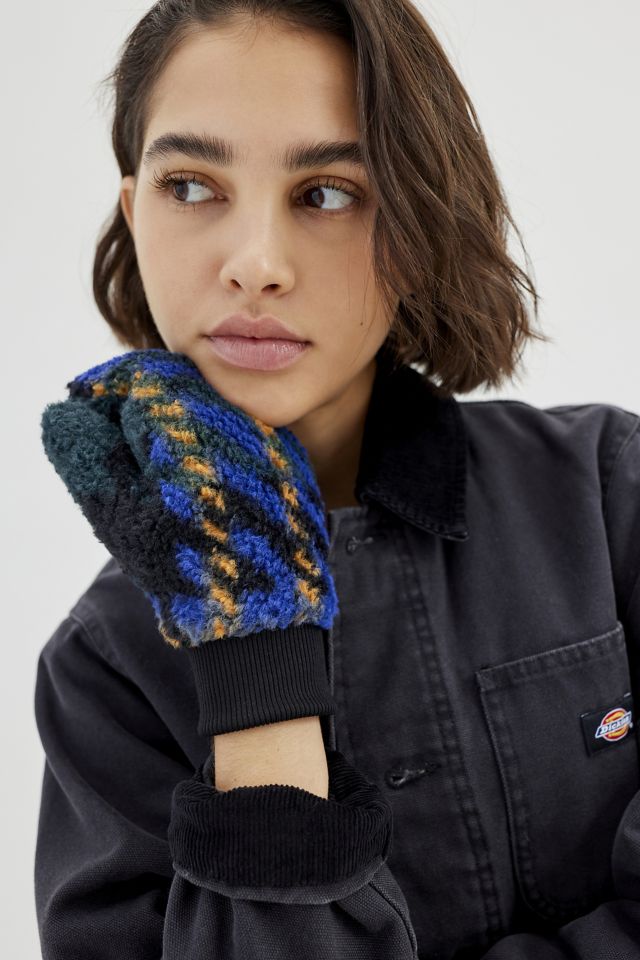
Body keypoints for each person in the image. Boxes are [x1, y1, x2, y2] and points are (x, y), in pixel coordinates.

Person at [33, 1, 640, 958]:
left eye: (326, 193)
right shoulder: (105, 668)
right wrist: (254, 660)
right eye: (190, 186)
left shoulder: (609, 495)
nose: (256, 265)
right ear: (135, 214)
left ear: (416, 219)